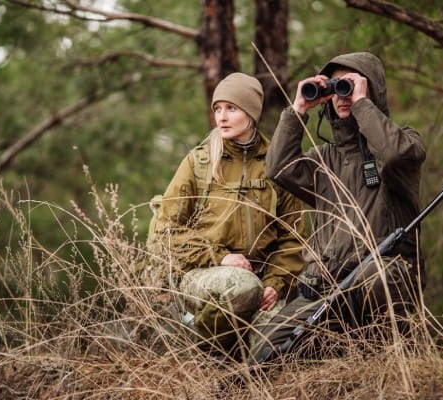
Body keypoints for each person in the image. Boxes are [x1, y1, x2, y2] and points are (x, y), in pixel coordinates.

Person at [249, 52, 426, 362]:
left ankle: (394, 362)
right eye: (336, 88)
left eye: (349, 84)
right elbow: (277, 168)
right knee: (264, 353)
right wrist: (299, 109)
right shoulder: (324, 160)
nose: (341, 95)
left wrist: (361, 103)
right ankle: (336, 356)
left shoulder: (403, 143)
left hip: (380, 277)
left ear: (371, 89)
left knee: (376, 273)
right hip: (326, 289)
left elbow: (395, 154)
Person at [150, 72, 305, 360]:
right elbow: (164, 231)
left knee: (276, 347)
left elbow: (293, 238)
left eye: (231, 108)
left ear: (251, 113)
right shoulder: (199, 162)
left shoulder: (276, 163)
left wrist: (275, 283)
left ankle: (242, 364)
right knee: (241, 287)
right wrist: (219, 256)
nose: (221, 116)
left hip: (261, 282)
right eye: (218, 109)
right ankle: (213, 360)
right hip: (202, 275)